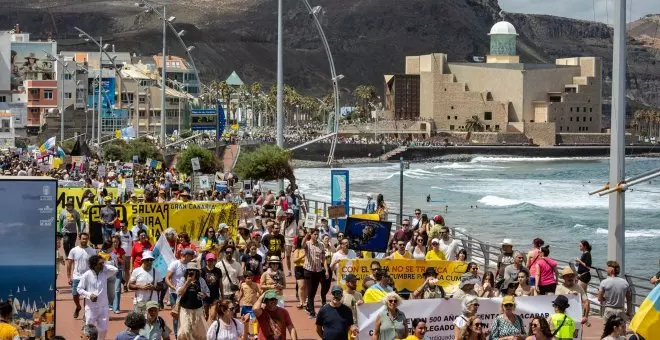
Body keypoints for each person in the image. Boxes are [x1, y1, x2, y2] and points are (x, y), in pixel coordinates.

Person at [77, 255, 118, 340]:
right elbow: (79, 289)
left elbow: (115, 269)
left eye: (103, 263)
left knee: (104, 329)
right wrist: (89, 295)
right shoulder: (86, 275)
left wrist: (104, 263)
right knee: (88, 330)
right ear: (94, 265)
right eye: (100, 264)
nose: (102, 265)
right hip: (91, 307)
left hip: (103, 306)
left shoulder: (105, 273)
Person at [176, 262, 210, 340]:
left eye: (193, 270)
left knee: (199, 333)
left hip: (198, 309)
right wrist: (187, 282)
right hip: (185, 309)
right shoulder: (183, 279)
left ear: (196, 271)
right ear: (187, 271)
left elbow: (207, 293)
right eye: (189, 270)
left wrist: (203, 295)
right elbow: (179, 293)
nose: (191, 271)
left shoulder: (201, 280)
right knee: (184, 332)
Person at [67, 232, 97, 319]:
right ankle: (78, 307)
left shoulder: (92, 250)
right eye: (83, 239)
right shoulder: (74, 250)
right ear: (79, 239)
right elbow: (69, 264)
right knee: (75, 294)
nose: (85, 240)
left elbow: (95, 263)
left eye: (86, 239)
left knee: (87, 296)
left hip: (88, 277)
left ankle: (85, 312)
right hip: (76, 276)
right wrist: (69, 277)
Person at [303, 228, 329, 318]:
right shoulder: (307, 244)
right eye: (315, 234)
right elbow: (302, 245)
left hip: (318, 271)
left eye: (317, 234)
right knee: (310, 291)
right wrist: (307, 234)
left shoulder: (321, 245)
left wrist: (326, 270)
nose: (316, 236)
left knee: (314, 291)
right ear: (311, 235)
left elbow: (324, 259)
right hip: (308, 270)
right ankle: (312, 312)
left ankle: (308, 306)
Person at [201, 253, 224, 320]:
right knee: (205, 316)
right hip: (205, 296)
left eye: (212, 260)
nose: (210, 262)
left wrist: (222, 294)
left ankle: (213, 330)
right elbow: (201, 283)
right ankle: (205, 330)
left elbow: (220, 283)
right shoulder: (202, 271)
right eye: (209, 260)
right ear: (206, 261)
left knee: (213, 316)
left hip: (215, 295)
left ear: (214, 261)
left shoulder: (218, 271)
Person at [118, 221, 134, 292]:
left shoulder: (130, 233)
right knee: (121, 271)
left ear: (126, 226)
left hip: (128, 255)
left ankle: (126, 285)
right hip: (121, 255)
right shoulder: (118, 233)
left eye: (123, 226)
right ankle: (122, 283)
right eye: (120, 226)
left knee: (127, 271)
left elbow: (133, 243)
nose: (121, 227)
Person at [292, 237, 306, 307]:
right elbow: (294, 260)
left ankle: (305, 301)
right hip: (299, 269)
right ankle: (301, 302)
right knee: (301, 286)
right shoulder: (297, 250)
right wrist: (302, 257)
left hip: (306, 268)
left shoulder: (307, 249)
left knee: (306, 286)